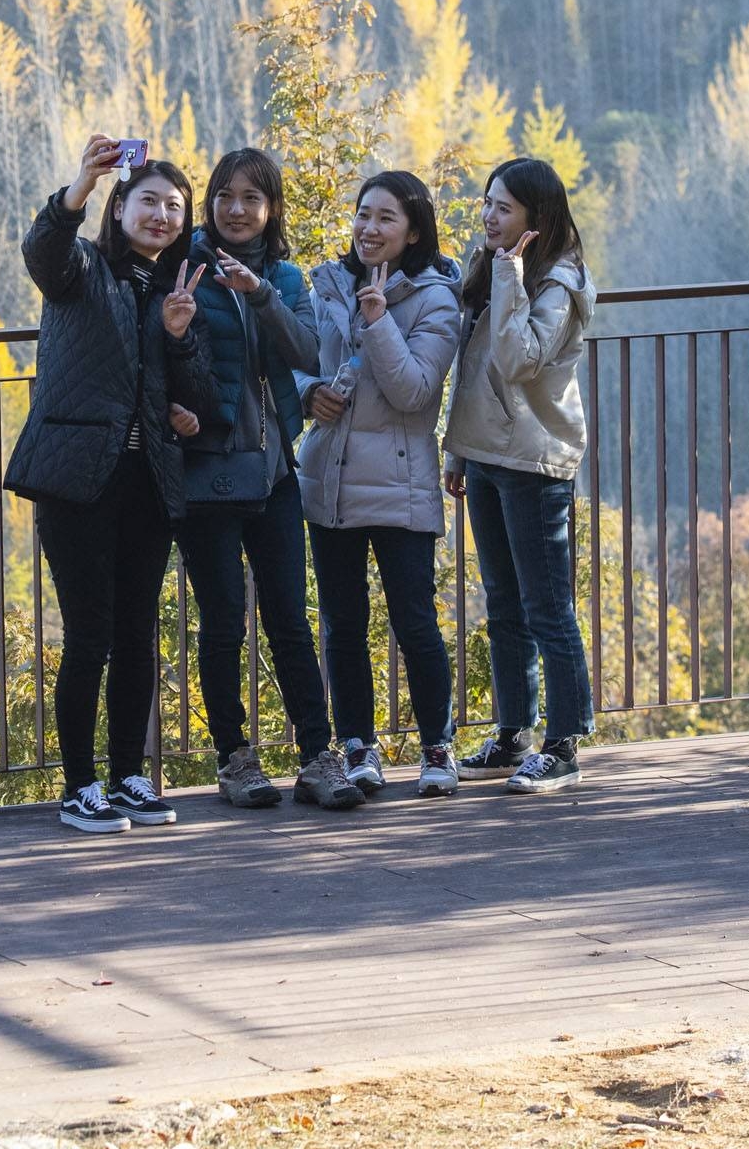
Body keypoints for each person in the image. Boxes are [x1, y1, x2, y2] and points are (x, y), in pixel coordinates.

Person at [1, 134, 210, 834]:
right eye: (149, 201)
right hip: (77, 479)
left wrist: (179, 338)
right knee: (90, 634)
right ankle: (79, 786)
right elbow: (44, 253)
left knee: (136, 632)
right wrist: (76, 190)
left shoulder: (179, 287)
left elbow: (195, 397)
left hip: (146, 481)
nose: (162, 215)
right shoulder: (83, 268)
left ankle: (127, 776)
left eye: (175, 207)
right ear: (120, 208)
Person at [174, 147, 333, 810]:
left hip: (272, 474)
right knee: (219, 624)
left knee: (291, 621)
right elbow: (162, 352)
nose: (236, 209)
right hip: (205, 470)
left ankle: (319, 759)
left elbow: (305, 350)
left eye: (252, 198)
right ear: (209, 203)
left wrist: (260, 295)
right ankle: (235, 759)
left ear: (271, 209)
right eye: (224, 196)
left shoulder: (287, 279)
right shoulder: (182, 269)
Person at [300, 170, 465, 802]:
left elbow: (416, 391)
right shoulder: (329, 284)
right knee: (342, 622)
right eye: (363, 214)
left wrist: (377, 320)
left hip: (401, 485)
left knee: (414, 621)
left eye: (386, 218)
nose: (369, 228)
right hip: (332, 480)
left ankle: (436, 747)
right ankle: (357, 747)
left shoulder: (436, 299)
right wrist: (306, 393)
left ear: (414, 229)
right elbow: (298, 364)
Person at [443, 157, 597, 795]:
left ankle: (563, 743)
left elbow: (517, 361)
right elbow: (474, 364)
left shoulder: (556, 281)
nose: (488, 216)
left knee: (545, 606)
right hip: (487, 456)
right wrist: (458, 451)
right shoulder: (499, 266)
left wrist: (508, 274)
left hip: (533, 463)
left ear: (537, 217)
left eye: (502, 208)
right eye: (487, 204)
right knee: (503, 605)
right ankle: (514, 736)